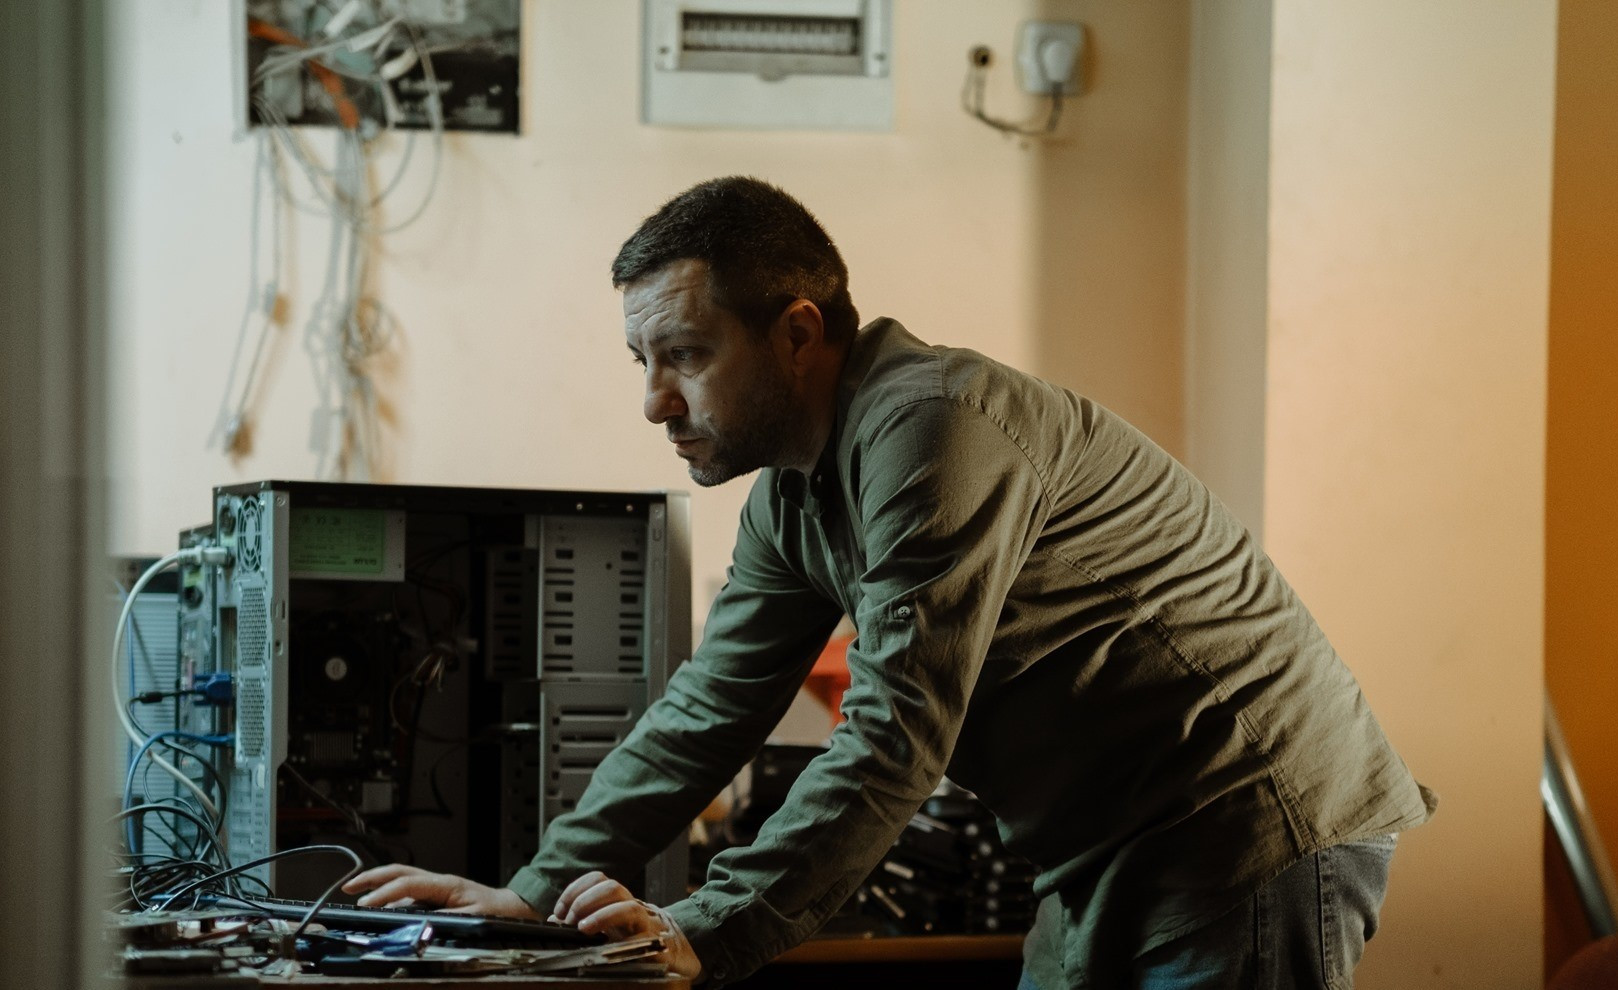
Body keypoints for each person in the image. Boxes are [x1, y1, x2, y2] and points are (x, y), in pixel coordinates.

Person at [345, 176, 1436, 988]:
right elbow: (707, 709)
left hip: (1237, 820)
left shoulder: (931, 426)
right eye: (642, 362)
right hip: (1101, 847)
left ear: (798, 333)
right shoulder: (794, 493)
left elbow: (893, 734)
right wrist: (532, 895)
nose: (655, 403)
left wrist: (708, 931)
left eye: (682, 354)